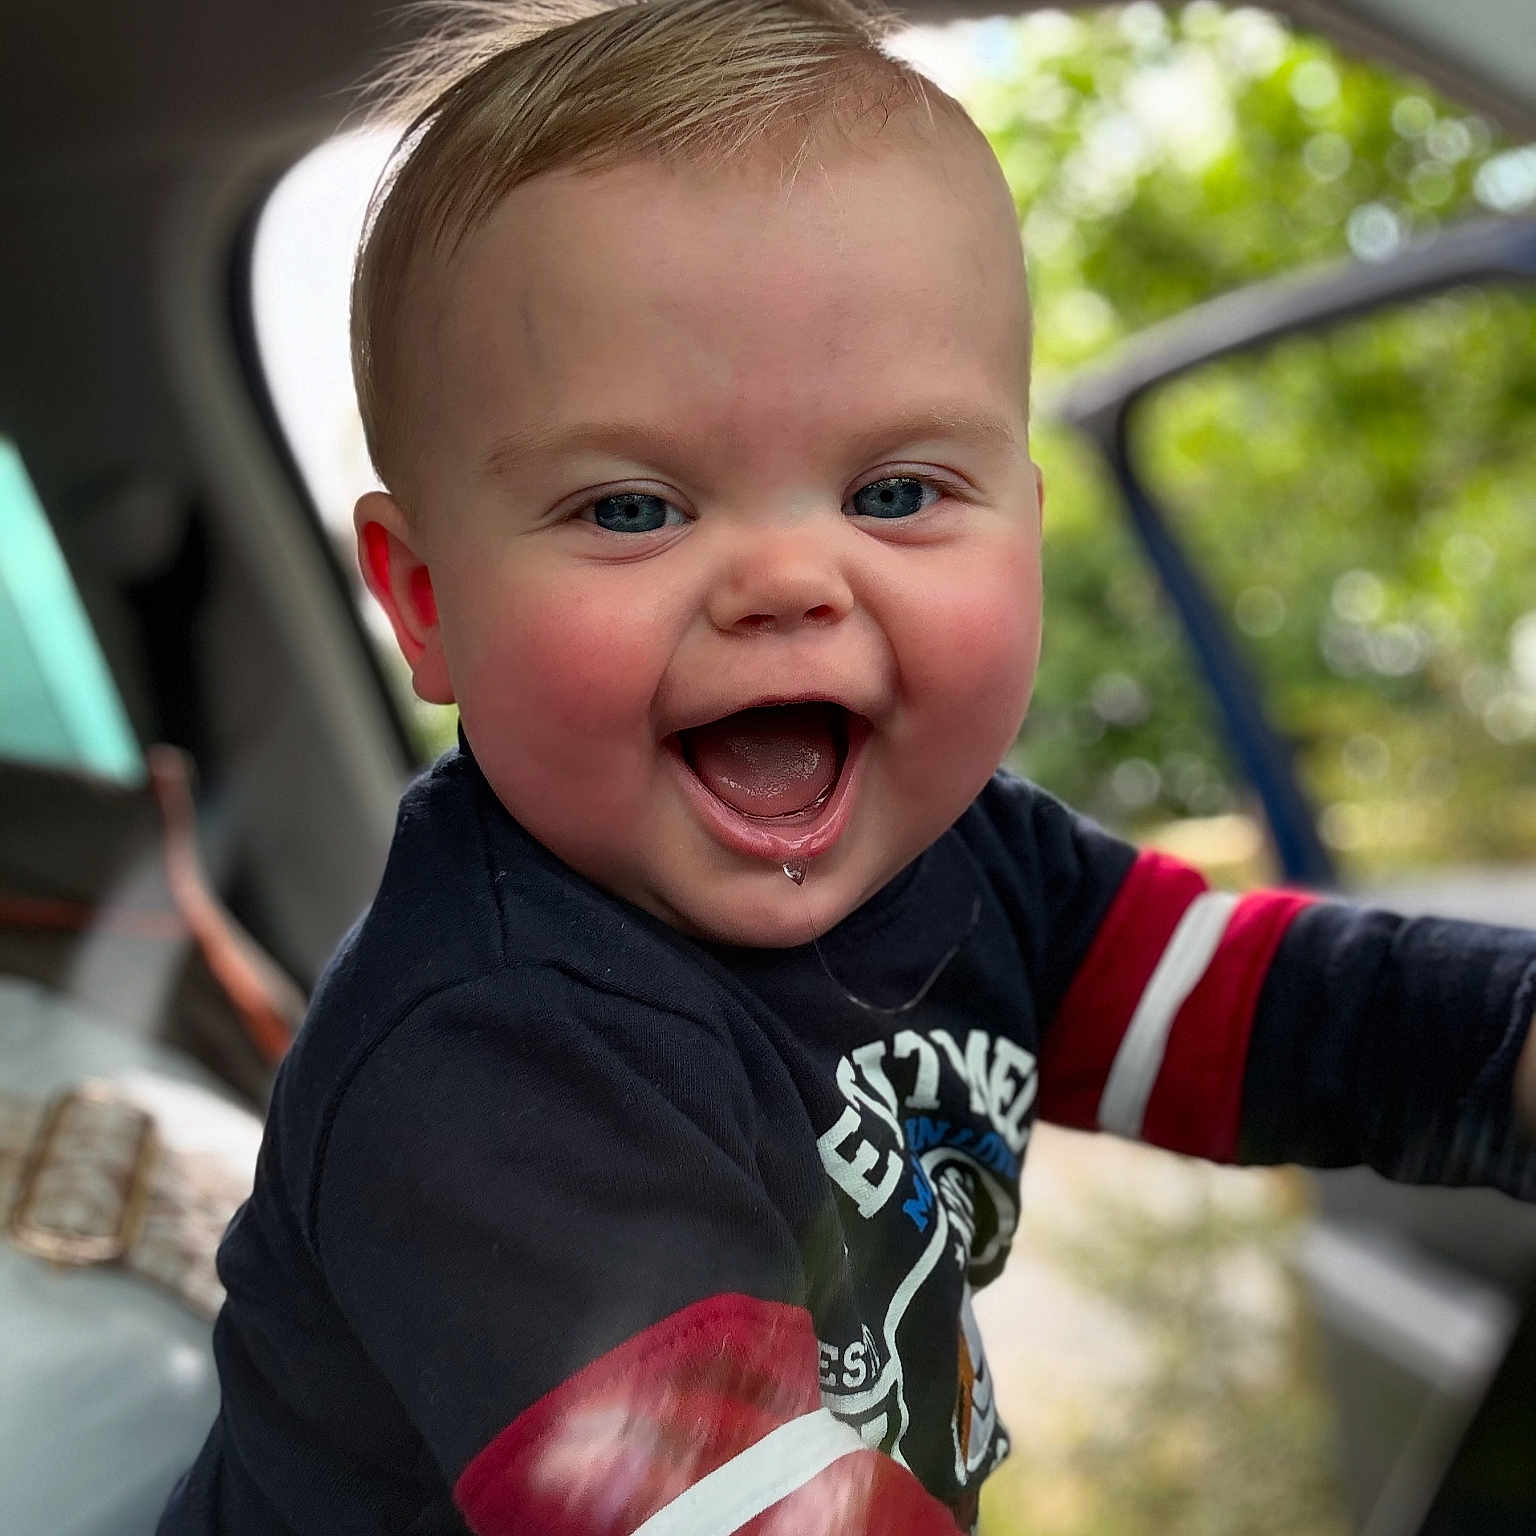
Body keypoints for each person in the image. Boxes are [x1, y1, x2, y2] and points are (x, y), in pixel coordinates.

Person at [160, 0, 1536, 1530]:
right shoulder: (483, 1064)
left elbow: (1285, 1012)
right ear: (427, 603)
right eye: (631, 509)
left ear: (1026, 526)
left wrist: (1509, 1043)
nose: (787, 582)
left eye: (895, 492)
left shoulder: (978, 862)